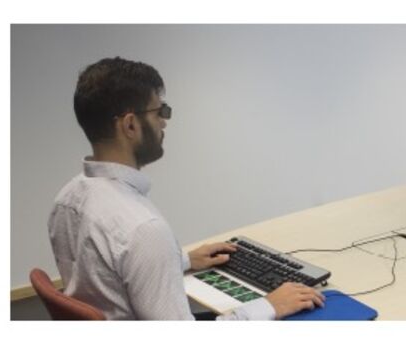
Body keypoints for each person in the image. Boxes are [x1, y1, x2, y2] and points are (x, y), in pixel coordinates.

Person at [48, 57, 325, 320]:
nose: (165, 122)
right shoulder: (144, 230)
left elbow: (106, 274)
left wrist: (182, 259)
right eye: (160, 112)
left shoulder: (67, 199)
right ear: (130, 124)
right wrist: (269, 306)